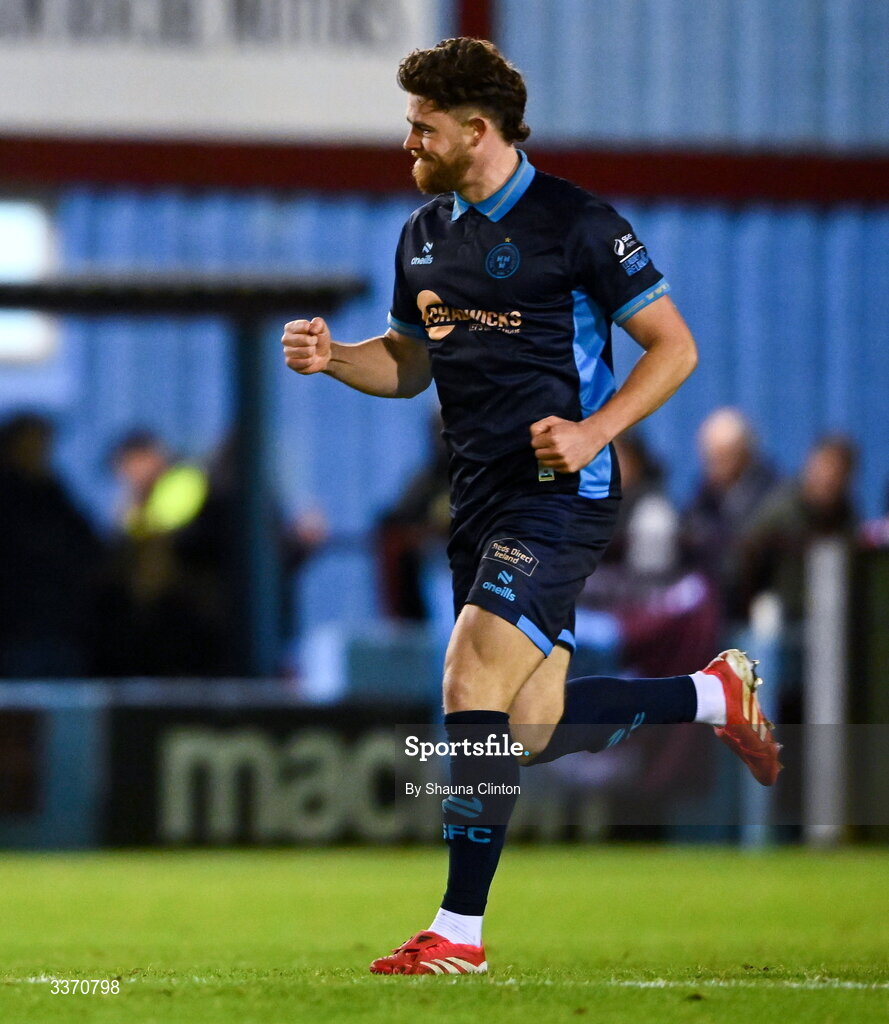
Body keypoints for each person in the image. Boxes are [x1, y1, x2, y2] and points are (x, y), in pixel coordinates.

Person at [281, 37, 781, 976]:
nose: (408, 145)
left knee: (467, 678)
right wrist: (333, 358)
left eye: (420, 128)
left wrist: (595, 433)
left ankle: (457, 935)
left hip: (560, 495)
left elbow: (673, 349)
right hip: (474, 502)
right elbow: (409, 362)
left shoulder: (578, 224)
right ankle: (711, 694)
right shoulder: (424, 235)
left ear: (477, 129)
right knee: (527, 732)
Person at [0, 412, 104, 676]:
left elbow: (87, 542)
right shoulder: (10, 493)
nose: (40, 450)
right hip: (17, 625)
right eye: (33, 442)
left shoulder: (52, 490)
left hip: (61, 622)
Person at [682, 408, 778, 619]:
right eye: (709, 456)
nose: (713, 464)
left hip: (753, 605)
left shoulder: (770, 495)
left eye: (722, 456)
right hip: (710, 605)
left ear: (745, 453)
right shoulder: (704, 495)